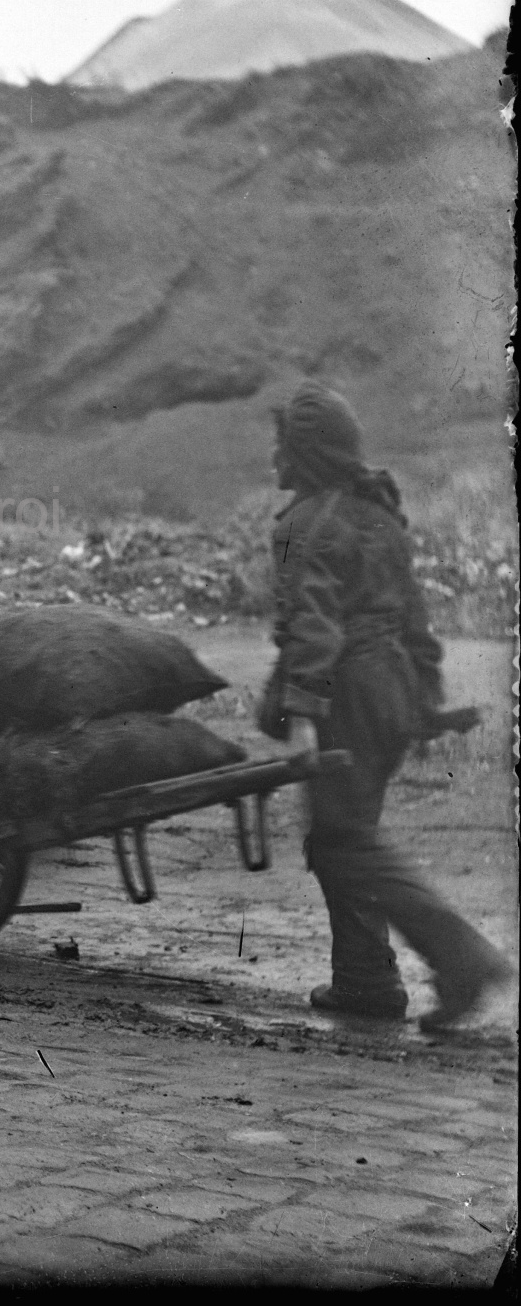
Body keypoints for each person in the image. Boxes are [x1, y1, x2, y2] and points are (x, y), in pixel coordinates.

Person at [258, 382, 513, 1032]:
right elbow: (416, 621)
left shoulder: (295, 528)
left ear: (307, 453)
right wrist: (424, 699)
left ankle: (459, 956)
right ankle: (365, 978)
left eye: (283, 443)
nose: (274, 457)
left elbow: (309, 629)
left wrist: (301, 715)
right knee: (343, 835)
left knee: (345, 841)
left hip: (350, 693)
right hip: (393, 689)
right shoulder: (379, 516)